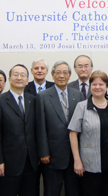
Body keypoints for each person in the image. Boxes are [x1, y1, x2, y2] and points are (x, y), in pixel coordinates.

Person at [69, 70, 108, 196]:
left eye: (101, 84)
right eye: (94, 84)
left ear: (106, 86)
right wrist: (77, 160)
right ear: (90, 86)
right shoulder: (82, 106)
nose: (98, 87)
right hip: (90, 164)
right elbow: (73, 133)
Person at [0, 64, 38, 196]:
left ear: (28, 80)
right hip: (8, 163)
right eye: (16, 75)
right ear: (9, 79)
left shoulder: (33, 101)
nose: (19, 78)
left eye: (23, 75)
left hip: (31, 162)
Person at [36, 61, 84, 196]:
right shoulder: (43, 96)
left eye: (65, 73)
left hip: (74, 155)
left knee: (73, 191)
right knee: (52, 191)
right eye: (58, 72)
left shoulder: (78, 95)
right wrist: (44, 152)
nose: (61, 76)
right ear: (52, 75)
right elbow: (40, 126)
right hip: (52, 156)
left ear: (69, 75)